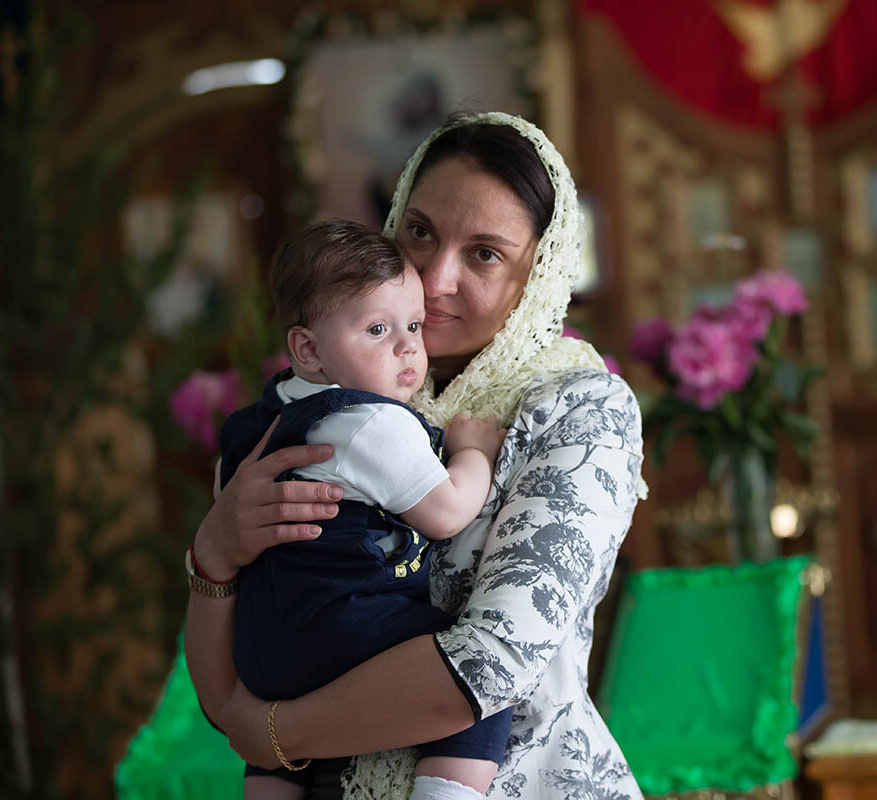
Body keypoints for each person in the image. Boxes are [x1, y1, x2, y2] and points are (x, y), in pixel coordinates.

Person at [185, 111, 647, 799]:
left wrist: (280, 734)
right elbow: (235, 687)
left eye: (484, 254)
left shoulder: (580, 412)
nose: (433, 280)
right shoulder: (333, 398)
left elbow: (493, 663)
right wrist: (213, 557)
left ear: (539, 277)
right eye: (420, 232)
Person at [214, 220, 512, 800]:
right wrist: (472, 452)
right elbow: (447, 511)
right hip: (341, 632)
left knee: (278, 757)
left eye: (413, 325)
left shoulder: (259, 420)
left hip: (259, 651)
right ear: (308, 349)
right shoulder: (373, 422)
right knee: (475, 683)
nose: (407, 347)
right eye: (378, 329)